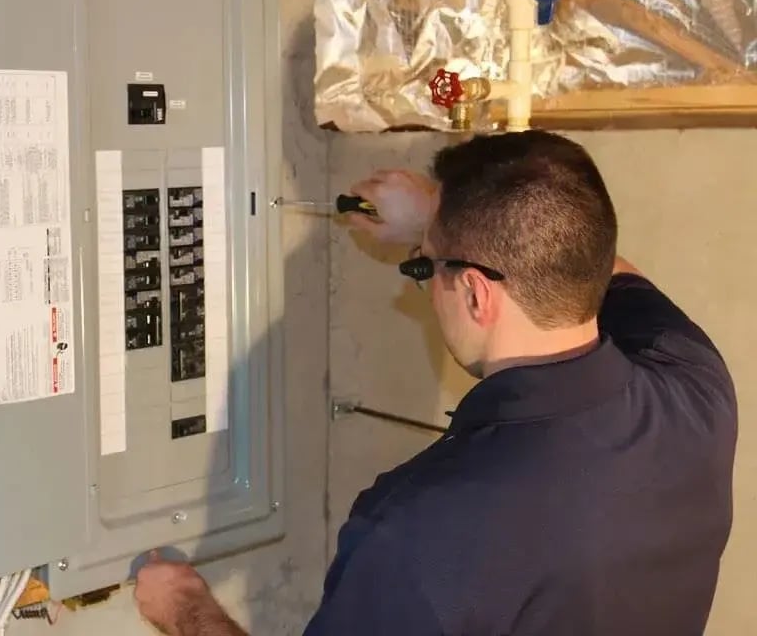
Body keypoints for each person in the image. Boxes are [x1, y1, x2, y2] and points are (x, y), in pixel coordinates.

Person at [134, 131, 737, 635]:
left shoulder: (421, 528)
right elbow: (600, 265)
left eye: (428, 267)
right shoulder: (695, 389)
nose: (426, 284)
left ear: (475, 293)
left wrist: (184, 608)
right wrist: (443, 224)